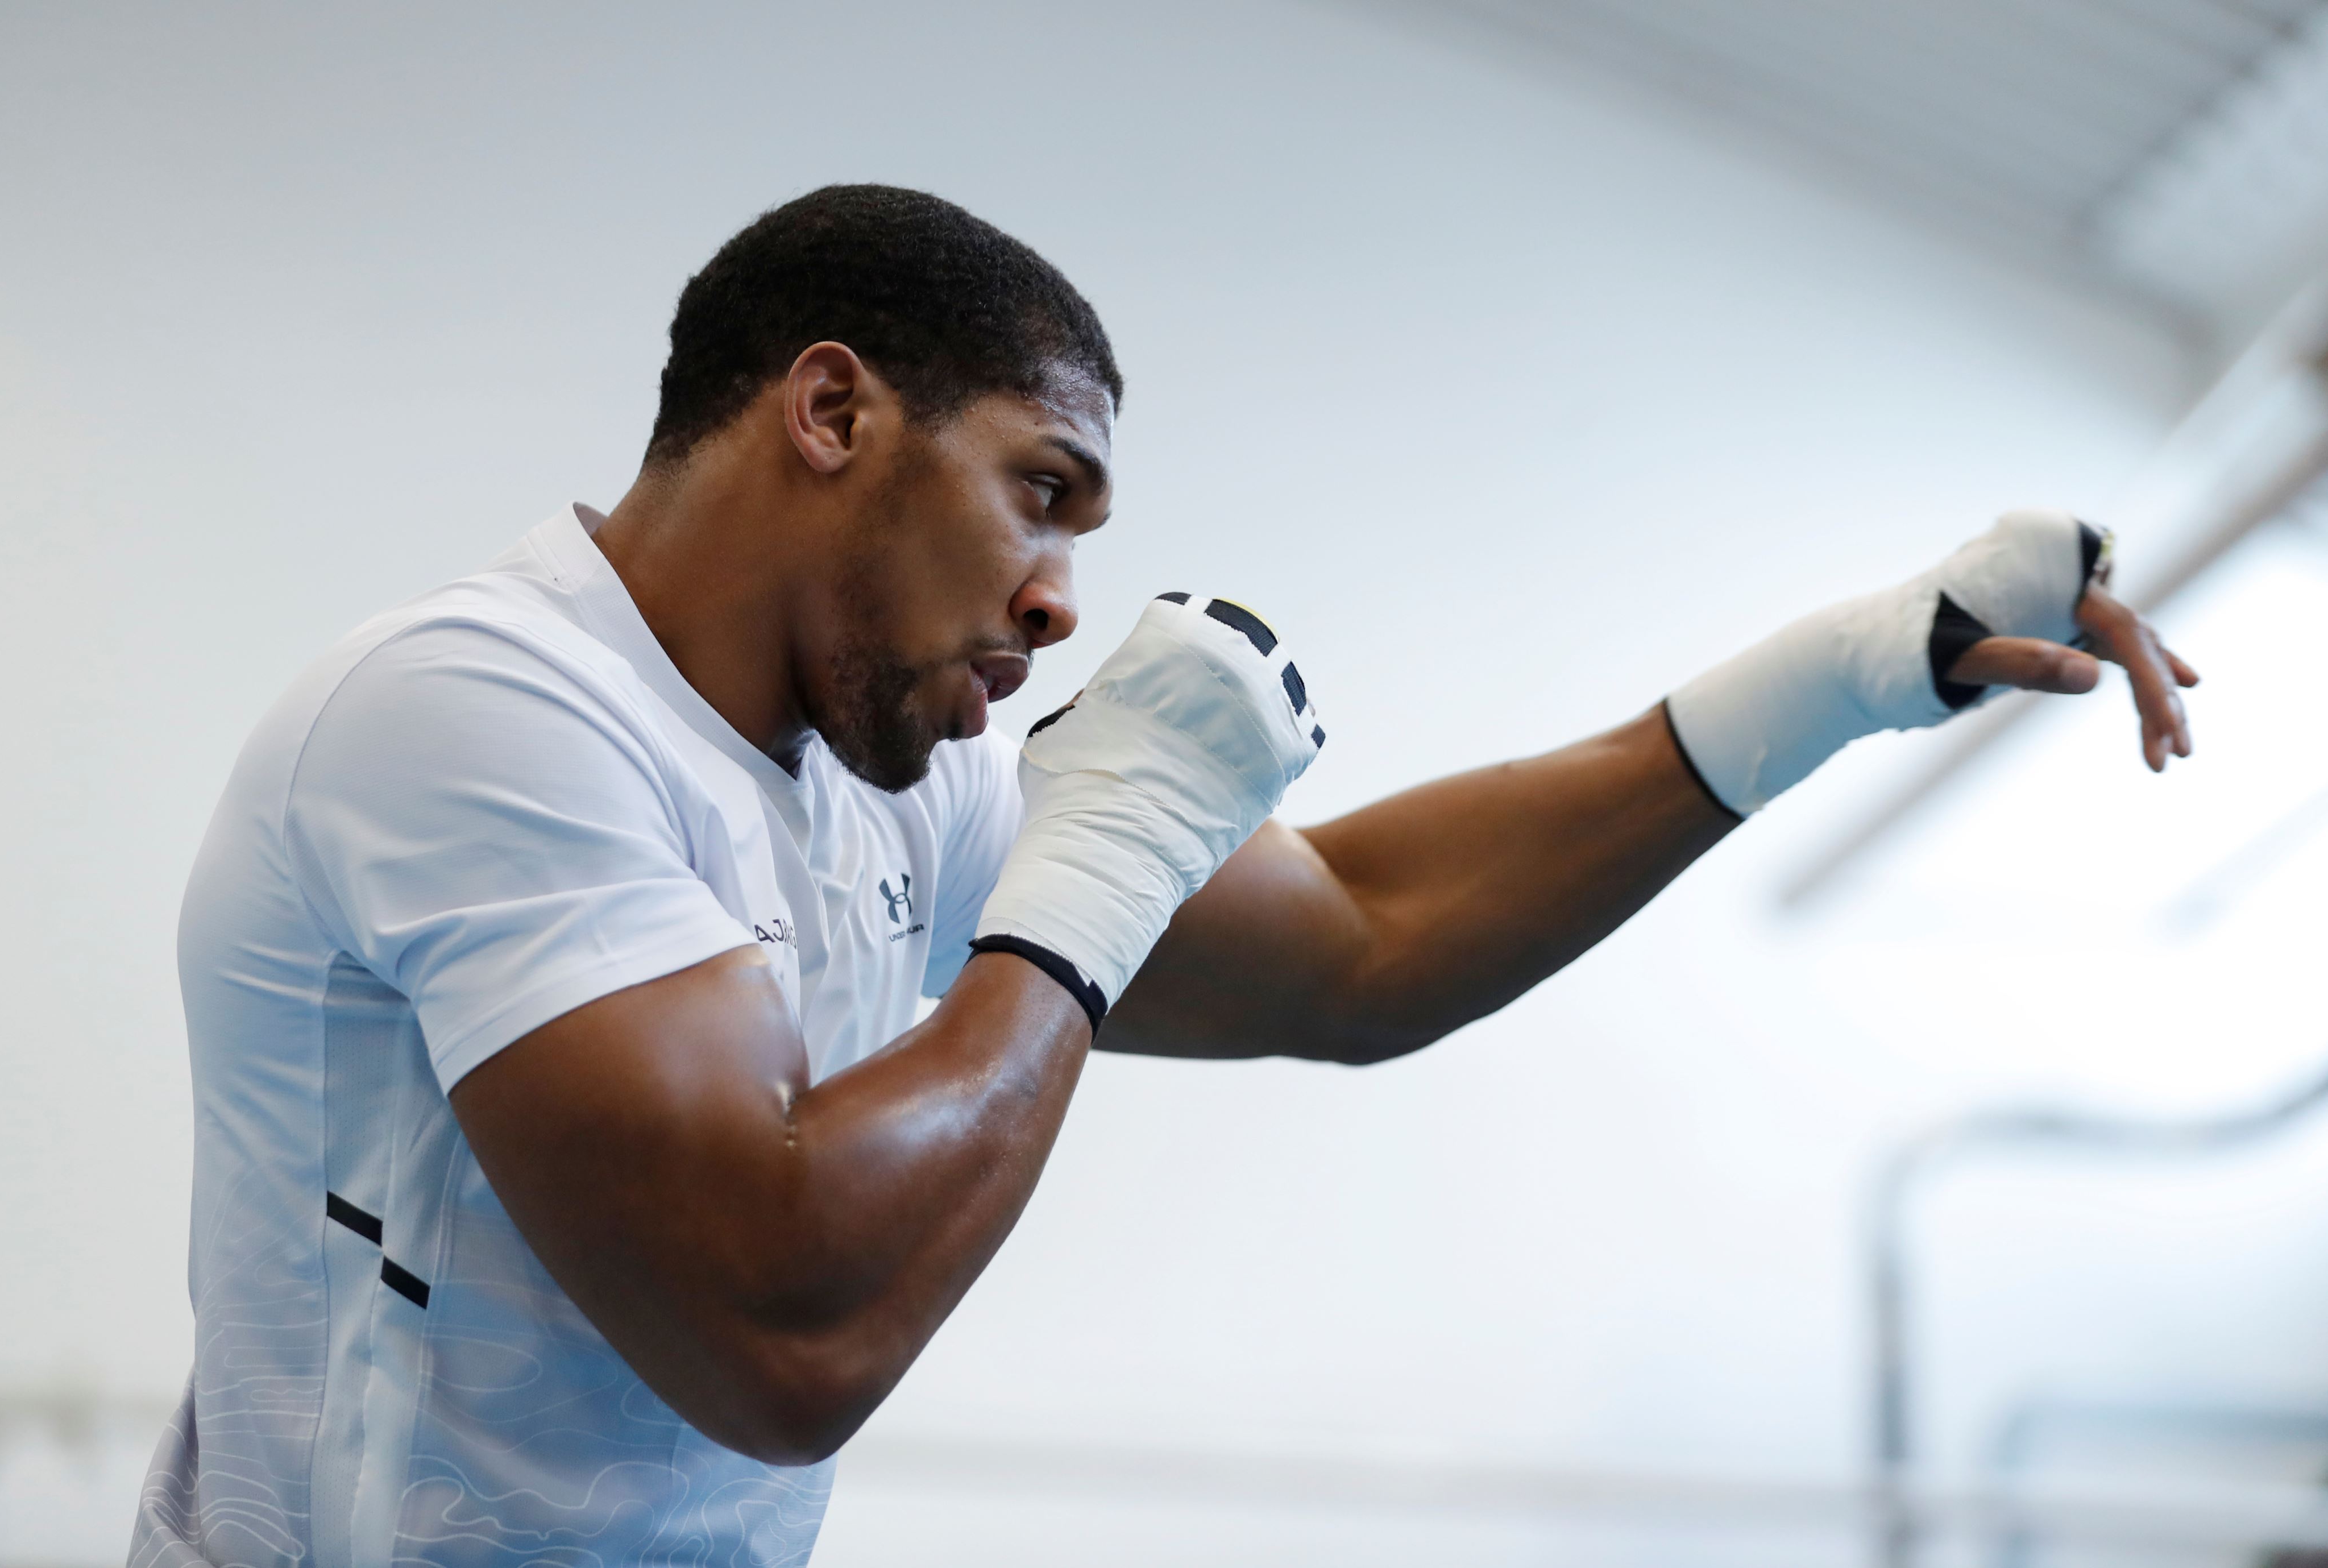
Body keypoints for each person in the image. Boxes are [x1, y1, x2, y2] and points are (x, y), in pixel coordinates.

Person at [131, 184, 2197, 1567]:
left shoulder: (894, 779)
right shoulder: (479, 713)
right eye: (1043, 491)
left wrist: (1842, 672)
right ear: (832, 410)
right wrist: (1101, 859)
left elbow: (1365, 944)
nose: (1055, 601)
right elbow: (780, 1334)